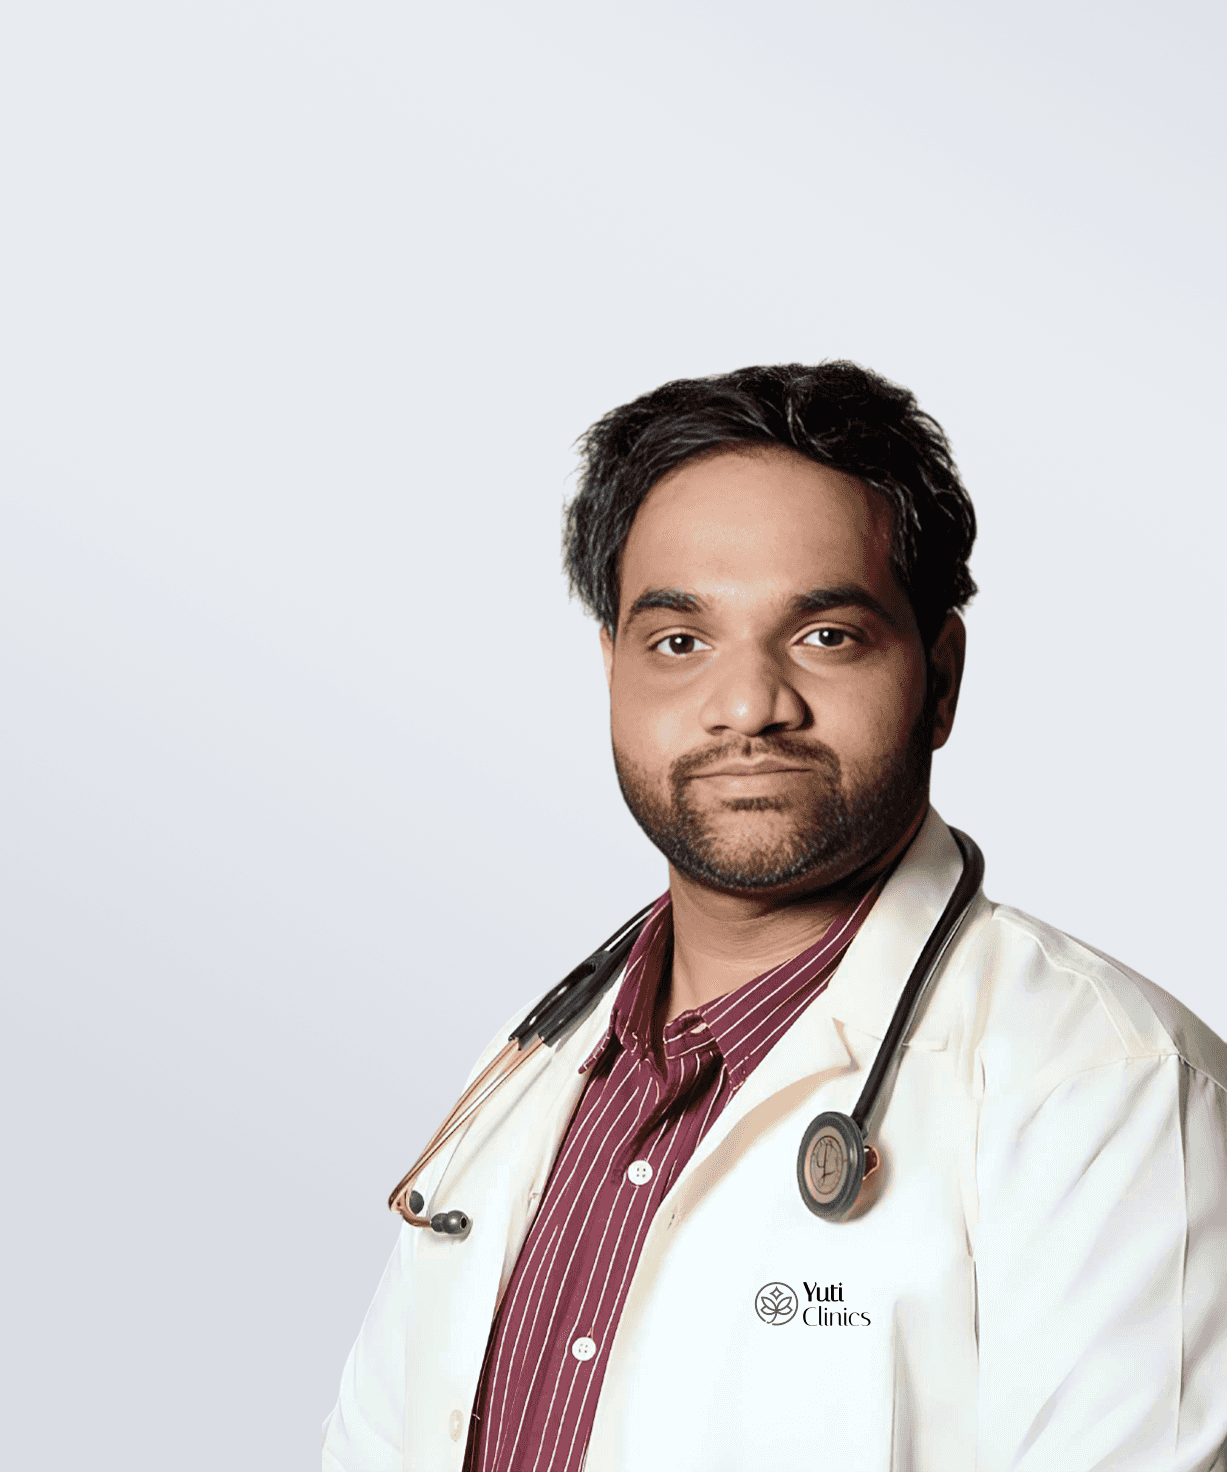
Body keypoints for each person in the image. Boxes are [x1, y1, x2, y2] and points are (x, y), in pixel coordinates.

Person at [324, 361, 1227, 1472]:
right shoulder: (521, 1082)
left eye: (826, 635)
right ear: (611, 670)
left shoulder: (1111, 1090)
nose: (749, 704)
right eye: (679, 641)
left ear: (940, 677)